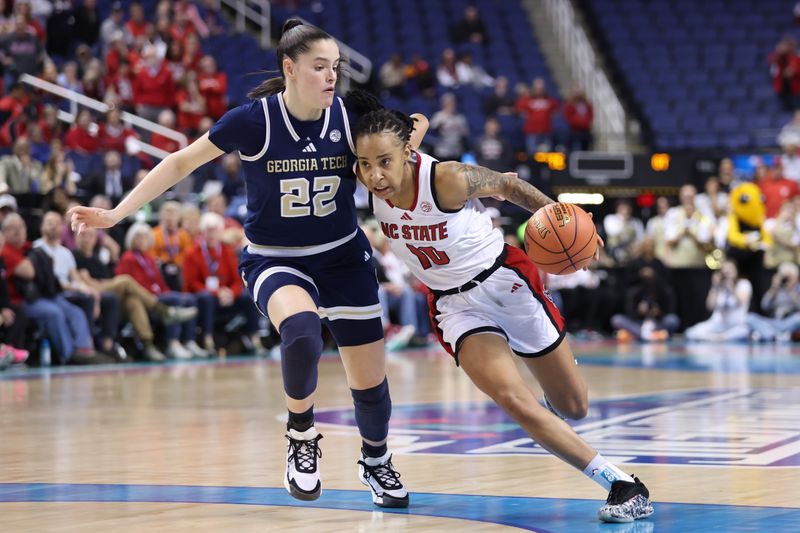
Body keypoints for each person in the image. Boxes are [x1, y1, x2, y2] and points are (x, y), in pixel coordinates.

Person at [69, 20, 429, 509]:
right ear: (290, 69)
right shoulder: (253, 120)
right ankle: (302, 437)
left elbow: (409, 133)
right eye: (319, 67)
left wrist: (409, 148)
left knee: (369, 383)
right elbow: (179, 164)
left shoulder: (351, 118)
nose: (330, 77)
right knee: (301, 328)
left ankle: (377, 459)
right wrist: (115, 214)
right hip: (275, 259)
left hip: (343, 256)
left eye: (335, 68)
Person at [352, 108, 653, 523]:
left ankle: (556, 395)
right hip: (452, 305)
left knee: (575, 405)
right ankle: (623, 484)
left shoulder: (449, 179)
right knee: (513, 399)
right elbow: (408, 129)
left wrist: (566, 220)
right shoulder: (370, 173)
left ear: (406, 153)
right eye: (365, 165)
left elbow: (509, 186)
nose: (375, 176)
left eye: (384, 163)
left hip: (504, 281)